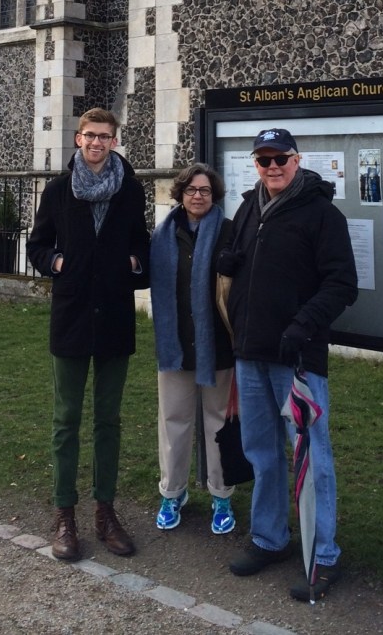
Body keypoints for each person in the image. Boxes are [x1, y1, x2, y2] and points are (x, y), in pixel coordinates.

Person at [218, 127, 358, 601]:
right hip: (251, 353)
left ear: (296, 161)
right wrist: (231, 261)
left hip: (297, 356)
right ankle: (270, 538)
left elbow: (341, 284)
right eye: (264, 160)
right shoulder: (247, 208)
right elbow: (238, 264)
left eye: (280, 159)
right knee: (262, 452)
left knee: (311, 454)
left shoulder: (322, 214)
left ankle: (323, 555)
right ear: (255, 164)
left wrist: (303, 325)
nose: (272, 167)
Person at [26, 108, 150, 563]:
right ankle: (64, 515)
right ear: (78, 140)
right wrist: (59, 265)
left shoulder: (130, 190)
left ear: (115, 141)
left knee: (109, 420)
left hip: (115, 314)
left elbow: (141, 243)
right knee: (66, 420)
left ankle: (105, 511)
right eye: (89, 136)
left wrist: (133, 265)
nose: (96, 143)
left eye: (104, 136)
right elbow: (37, 245)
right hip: (73, 316)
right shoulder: (59, 191)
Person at [150, 163, 236, 536]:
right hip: (176, 344)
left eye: (204, 190)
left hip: (218, 344)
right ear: (180, 194)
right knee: (173, 420)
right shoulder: (164, 234)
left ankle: (221, 495)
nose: (198, 196)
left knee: (218, 422)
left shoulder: (230, 233)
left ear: (214, 195)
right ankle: (173, 492)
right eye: (191, 190)